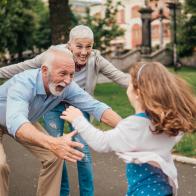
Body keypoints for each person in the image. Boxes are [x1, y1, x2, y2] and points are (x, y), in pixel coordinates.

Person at [0, 25, 129, 196]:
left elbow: (97, 107)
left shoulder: (69, 84)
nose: (68, 81)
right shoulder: (23, 84)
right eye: (62, 74)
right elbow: (16, 121)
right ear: (45, 70)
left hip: (26, 120)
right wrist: (53, 142)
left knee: (54, 157)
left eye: (72, 75)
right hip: (11, 119)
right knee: (0, 166)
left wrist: (128, 129)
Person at [61, 62, 196, 196]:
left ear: (137, 92)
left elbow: (101, 142)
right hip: (165, 189)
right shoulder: (169, 123)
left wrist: (78, 119)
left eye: (130, 83)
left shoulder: (135, 125)